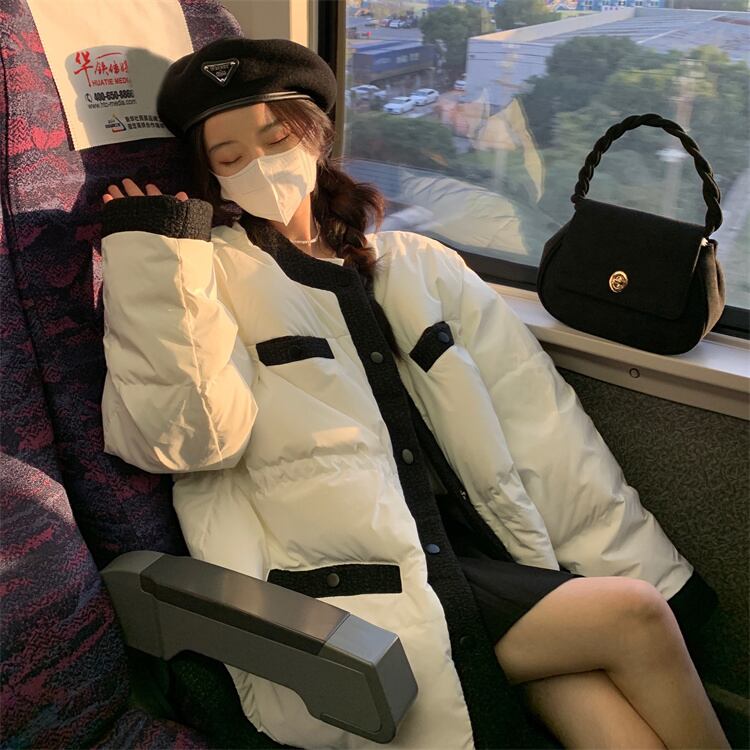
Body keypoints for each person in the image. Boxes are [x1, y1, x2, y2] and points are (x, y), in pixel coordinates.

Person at [100, 37, 729, 749]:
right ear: (210, 176)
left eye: (275, 139)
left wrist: (641, 559)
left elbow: (544, 430)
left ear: (317, 136)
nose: (261, 164)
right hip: (353, 589)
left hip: (473, 553)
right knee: (635, 615)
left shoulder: (418, 265)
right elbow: (183, 440)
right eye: (229, 156)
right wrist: (155, 255)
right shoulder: (206, 278)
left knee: (588, 689)